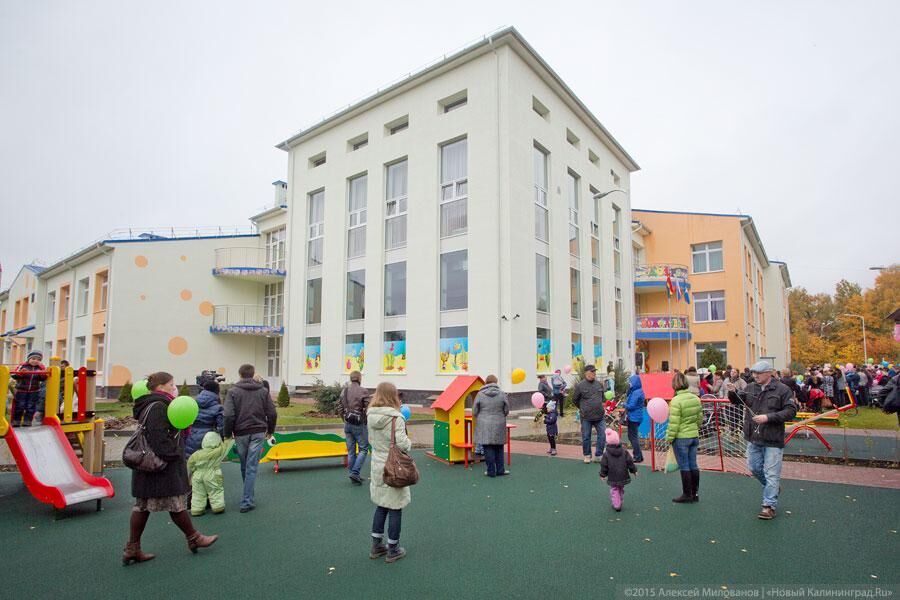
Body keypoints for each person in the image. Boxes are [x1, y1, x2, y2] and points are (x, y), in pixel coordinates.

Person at [123, 371, 218, 565]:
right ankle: (193, 538)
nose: (174, 388)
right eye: (171, 384)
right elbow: (158, 436)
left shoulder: (152, 404)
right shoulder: (158, 406)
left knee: (143, 507)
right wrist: (173, 455)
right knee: (174, 504)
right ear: (160, 387)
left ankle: (133, 548)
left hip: (149, 467)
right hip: (159, 466)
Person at [727, 360, 797, 520]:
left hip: (773, 438)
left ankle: (768, 506)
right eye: (753, 373)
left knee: (772, 473)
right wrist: (732, 392)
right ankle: (773, 488)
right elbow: (738, 400)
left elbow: (791, 411)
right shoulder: (750, 387)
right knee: (753, 467)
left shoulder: (783, 389)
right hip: (753, 437)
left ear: (769, 373)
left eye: (758, 373)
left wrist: (768, 417)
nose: (755, 376)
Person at [366, 382, 412, 563]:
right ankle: (393, 548)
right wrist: (409, 441)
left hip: (377, 464)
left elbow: (371, 440)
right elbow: (403, 444)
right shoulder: (396, 418)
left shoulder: (370, 415)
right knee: (395, 506)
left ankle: (376, 545)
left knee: (381, 504)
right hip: (393, 466)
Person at [224, 363, 277, 513]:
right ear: (253, 374)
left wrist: (227, 433)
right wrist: (270, 430)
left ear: (240, 374)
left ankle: (247, 499)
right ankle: (248, 498)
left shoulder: (233, 392)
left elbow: (228, 415)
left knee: (246, 465)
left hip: (241, 432)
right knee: (250, 466)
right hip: (258, 430)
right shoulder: (263, 391)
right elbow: (272, 413)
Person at [666, 371, 703, 503]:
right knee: (693, 464)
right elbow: (699, 419)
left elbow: (674, 423)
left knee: (684, 465)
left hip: (681, 437)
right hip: (693, 435)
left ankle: (687, 494)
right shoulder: (696, 398)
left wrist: (669, 438)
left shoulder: (675, 401)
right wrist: (694, 428)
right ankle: (695, 493)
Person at [187, 431, 234, 516]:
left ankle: (197, 509)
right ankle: (218, 507)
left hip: (198, 475)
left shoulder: (196, 454)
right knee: (215, 491)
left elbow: (190, 464)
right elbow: (228, 445)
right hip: (212, 473)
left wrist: (193, 472)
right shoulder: (219, 451)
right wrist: (228, 437)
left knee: (198, 493)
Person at [472, 374, 510, 477]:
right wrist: (501, 415)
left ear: (486, 382)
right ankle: (500, 470)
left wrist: (481, 416)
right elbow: (506, 410)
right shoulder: (502, 394)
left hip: (484, 424)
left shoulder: (480, 394)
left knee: (487, 447)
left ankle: (491, 471)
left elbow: (474, 411)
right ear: (496, 382)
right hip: (499, 422)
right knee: (499, 447)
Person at [340, 370, 371, 485]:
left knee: (351, 451)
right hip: (359, 424)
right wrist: (366, 421)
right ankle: (355, 472)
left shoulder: (344, 390)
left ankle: (354, 475)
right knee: (364, 449)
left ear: (350, 378)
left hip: (347, 423)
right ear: (359, 378)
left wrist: (344, 419)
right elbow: (368, 408)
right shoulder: (363, 391)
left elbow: (340, 407)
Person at [572, 364, 607, 464]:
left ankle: (599, 455)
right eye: (592, 371)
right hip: (586, 417)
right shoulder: (580, 385)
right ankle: (587, 455)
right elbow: (575, 400)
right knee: (586, 437)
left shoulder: (599, 384)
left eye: (595, 371)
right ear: (586, 373)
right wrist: (583, 408)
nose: (594, 373)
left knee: (602, 435)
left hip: (599, 416)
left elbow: (602, 398)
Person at [599, 429, 637, 512]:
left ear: (607, 441)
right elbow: (630, 462)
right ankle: (619, 500)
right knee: (620, 487)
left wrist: (602, 474)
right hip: (623, 474)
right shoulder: (624, 451)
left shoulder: (606, 454)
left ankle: (617, 504)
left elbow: (604, 465)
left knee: (614, 489)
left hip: (613, 475)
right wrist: (634, 470)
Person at [185, 380, 224, 459]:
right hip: (209, 439)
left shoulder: (194, 402)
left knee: (191, 460)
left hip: (192, 435)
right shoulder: (218, 407)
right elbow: (221, 427)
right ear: (217, 391)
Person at [11, 350, 48, 427]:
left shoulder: (41, 367)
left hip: (34, 391)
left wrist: (41, 374)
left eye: (38, 359)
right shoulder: (23, 366)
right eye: (33, 359)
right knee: (20, 406)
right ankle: (16, 421)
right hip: (21, 390)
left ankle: (27, 421)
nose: (35, 361)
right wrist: (21, 373)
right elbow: (14, 375)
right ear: (29, 359)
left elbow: (44, 378)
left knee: (31, 407)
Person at [623, 373, 645, 462]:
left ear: (634, 382)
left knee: (633, 437)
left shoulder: (636, 393)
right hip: (637, 416)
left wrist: (624, 404)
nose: (629, 383)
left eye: (631, 382)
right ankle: (639, 455)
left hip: (633, 417)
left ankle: (637, 456)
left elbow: (631, 406)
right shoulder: (638, 391)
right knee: (632, 436)